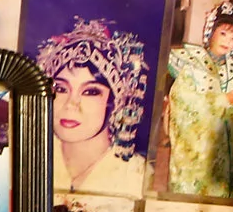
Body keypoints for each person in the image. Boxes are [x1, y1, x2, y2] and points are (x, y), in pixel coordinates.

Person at [33, 17, 151, 196]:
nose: (71, 105)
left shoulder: (137, 178)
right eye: (61, 88)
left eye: (90, 92)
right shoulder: (31, 159)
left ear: (117, 102)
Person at [163, 0, 233, 198]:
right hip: (197, 150)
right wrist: (223, 100)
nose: (227, 41)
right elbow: (183, 101)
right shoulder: (191, 62)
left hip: (226, 150)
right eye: (223, 33)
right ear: (211, 31)